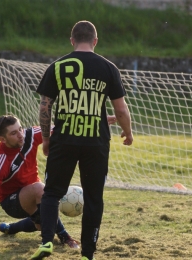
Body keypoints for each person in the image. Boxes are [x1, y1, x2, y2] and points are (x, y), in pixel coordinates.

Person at [31, 20, 133, 260]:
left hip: (64, 140)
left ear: (72, 40)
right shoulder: (108, 68)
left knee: (52, 193)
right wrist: (128, 133)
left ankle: (46, 242)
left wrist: (46, 139)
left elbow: (45, 107)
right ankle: (88, 254)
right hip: (95, 143)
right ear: (95, 41)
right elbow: (121, 110)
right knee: (94, 198)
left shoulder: (57, 66)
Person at [0, 115, 80, 252]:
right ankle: (65, 237)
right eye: (13, 133)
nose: (20, 135)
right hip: (11, 202)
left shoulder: (30, 135)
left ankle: (12, 228)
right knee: (41, 190)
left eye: (20, 129)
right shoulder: (0, 163)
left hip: (36, 194)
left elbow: (60, 129)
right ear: (3, 139)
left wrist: (101, 122)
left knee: (43, 223)